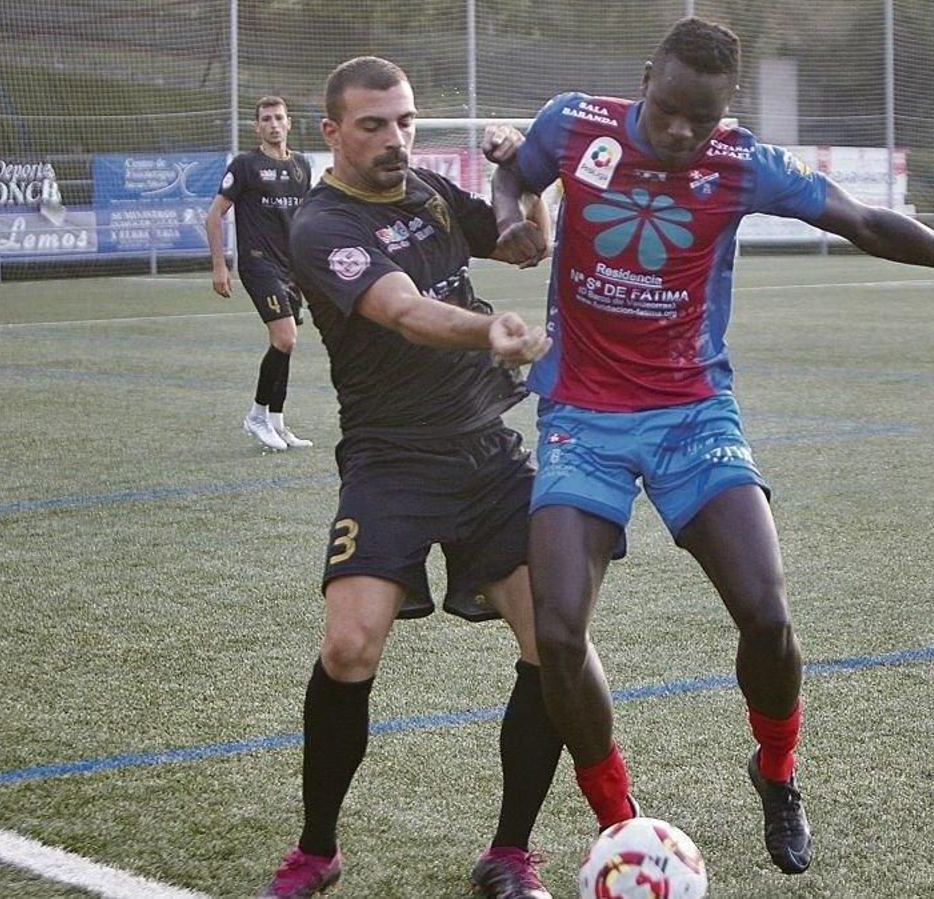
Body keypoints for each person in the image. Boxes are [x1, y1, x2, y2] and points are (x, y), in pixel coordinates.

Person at [491, 16, 934, 878]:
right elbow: (514, 175)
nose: (683, 132)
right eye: (670, 110)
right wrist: (511, 219)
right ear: (646, 78)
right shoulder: (575, 124)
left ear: (727, 109)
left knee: (767, 615)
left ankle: (777, 770)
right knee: (560, 635)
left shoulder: (741, 163)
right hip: (581, 418)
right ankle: (620, 821)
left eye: (703, 118)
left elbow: (865, 221)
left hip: (692, 414)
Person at [260, 56, 559, 899]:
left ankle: (509, 853)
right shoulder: (320, 224)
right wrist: (487, 331)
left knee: (554, 642)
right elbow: (403, 312)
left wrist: (527, 173)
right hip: (390, 458)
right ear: (332, 133)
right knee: (349, 646)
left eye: (405, 121)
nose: (395, 139)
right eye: (373, 125)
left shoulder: (428, 191)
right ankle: (316, 850)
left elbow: (528, 244)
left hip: (487, 453)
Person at [206, 96, 315, 452]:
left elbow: (306, 219)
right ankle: (256, 415)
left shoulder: (301, 166)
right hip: (258, 264)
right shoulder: (246, 165)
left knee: (286, 344)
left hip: (291, 267)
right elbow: (214, 216)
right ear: (257, 127)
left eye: (279, 118)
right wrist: (220, 265)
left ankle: (277, 423)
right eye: (266, 119)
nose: (273, 124)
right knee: (285, 337)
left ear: (288, 123)